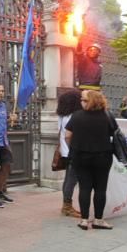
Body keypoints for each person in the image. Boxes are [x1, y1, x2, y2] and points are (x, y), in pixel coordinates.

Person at [64, 90, 116, 230]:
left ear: (91, 101)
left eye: (84, 100)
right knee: (100, 189)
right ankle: (98, 220)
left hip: (81, 157)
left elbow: (67, 136)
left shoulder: (77, 116)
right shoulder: (107, 116)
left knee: (84, 188)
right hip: (103, 157)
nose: (81, 102)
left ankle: (84, 221)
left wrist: (74, 147)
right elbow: (114, 134)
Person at [56, 90, 81, 218]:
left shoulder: (62, 116)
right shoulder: (73, 116)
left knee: (68, 179)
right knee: (71, 180)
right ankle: (67, 206)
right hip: (72, 151)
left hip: (65, 151)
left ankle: (66, 205)